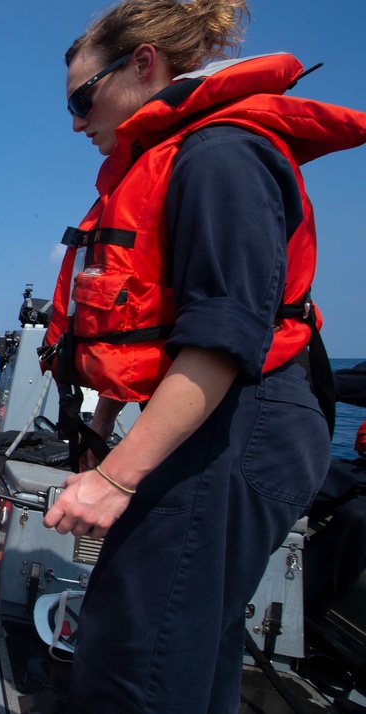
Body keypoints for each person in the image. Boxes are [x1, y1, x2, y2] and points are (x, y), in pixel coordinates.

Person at [38, 1, 366, 711]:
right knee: (180, 644)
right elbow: (156, 324)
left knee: (137, 656)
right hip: (220, 418)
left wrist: (115, 480)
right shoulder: (179, 154)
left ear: (144, 63)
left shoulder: (221, 155)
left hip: (246, 423)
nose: (77, 123)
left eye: (81, 99)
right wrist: (99, 431)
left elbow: (222, 338)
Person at [304, 362, 366, 617]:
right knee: (297, 481)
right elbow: (347, 382)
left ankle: (308, 606)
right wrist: (308, 381)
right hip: (360, 470)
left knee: (357, 518)